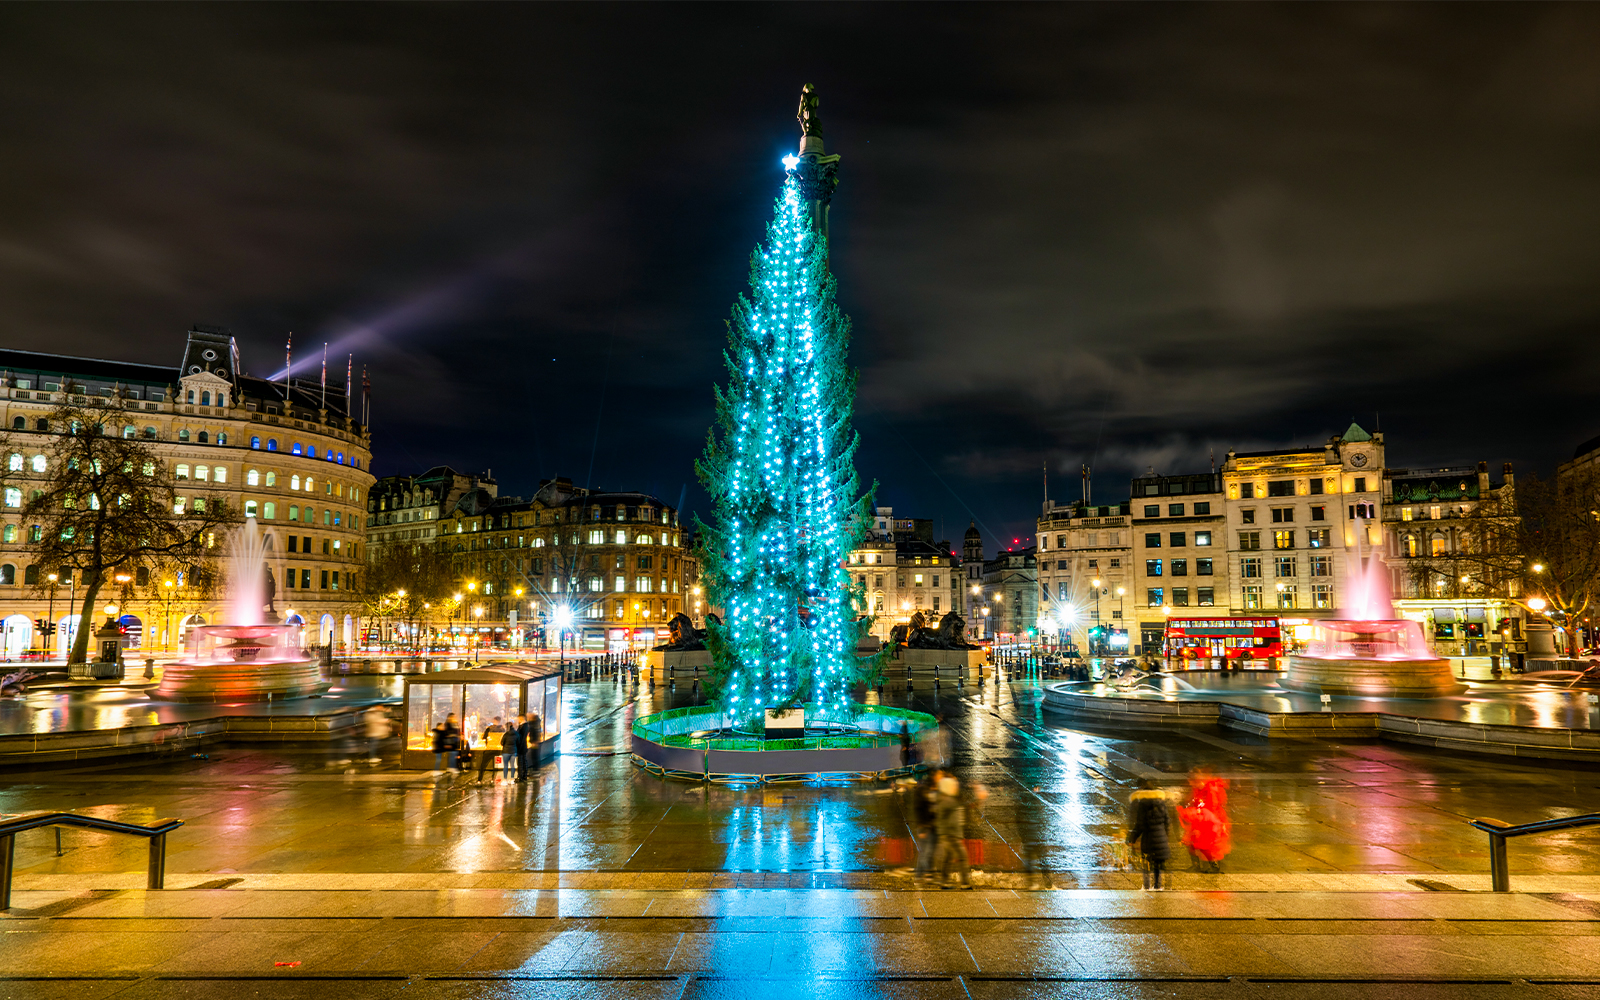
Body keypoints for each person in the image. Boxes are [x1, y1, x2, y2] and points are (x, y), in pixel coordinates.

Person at [1177, 770, 1231, 873]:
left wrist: (1197, 813)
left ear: (1198, 781)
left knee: (1206, 847)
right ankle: (1196, 866)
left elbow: (1212, 808)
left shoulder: (1210, 790)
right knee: (1192, 844)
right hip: (1199, 819)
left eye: (1192, 782)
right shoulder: (1198, 789)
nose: (1191, 785)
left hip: (1209, 822)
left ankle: (1214, 866)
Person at [1127, 778, 1173, 890]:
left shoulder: (1142, 805)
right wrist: (1165, 835)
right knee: (1158, 863)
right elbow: (1167, 821)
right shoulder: (1161, 804)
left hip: (1148, 839)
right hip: (1161, 837)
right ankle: (1158, 885)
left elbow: (1140, 825)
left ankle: (1147, 885)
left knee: (1147, 863)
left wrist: (1132, 838)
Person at [931, 774, 971, 889]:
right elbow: (962, 805)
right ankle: (965, 883)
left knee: (948, 858)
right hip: (951, 835)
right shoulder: (948, 801)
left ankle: (945, 882)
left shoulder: (944, 799)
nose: (956, 788)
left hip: (948, 834)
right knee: (962, 857)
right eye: (953, 786)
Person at [908, 772, 937, 885]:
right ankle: (923, 875)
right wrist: (921, 826)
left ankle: (923, 875)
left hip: (930, 826)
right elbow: (919, 810)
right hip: (925, 827)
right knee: (925, 852)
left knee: (928, 852)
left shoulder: (928, 791)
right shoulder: (923, 792)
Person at [476, 716, 507, 783]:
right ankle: (493, 779)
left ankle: (479, 779)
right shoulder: (502, 729)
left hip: (489, 749)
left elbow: (484, 737)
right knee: (495, 766)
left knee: (483, 765)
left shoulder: (489, 728)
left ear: (494, 720)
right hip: (497, 750)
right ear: (499, 721)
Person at [432, 713, 462, 777]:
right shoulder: (447, 725)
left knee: (451, 755)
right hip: (447, 745)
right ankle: (440, 770)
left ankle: (449, 768)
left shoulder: (454, 724)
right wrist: (447, 743)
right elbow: (443, 738)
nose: (454, 718)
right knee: (443, 758)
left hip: (451, 744)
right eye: (453, 717)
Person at [517, 712, 543, 782]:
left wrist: (534, 742)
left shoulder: (533, 724)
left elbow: (534, 733)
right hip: (534, 742)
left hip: (535, 743)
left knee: (535, 756)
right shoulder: (534, 723)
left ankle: (536, 771)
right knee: (534, 756)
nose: (528, 717)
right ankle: (534, 771)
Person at [503, 714, 526, 782]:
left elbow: (502, 742)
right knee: (513, 765)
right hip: (513, 751)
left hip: (506, 751)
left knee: (506, 765)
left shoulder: (506, 734)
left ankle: (505, 779)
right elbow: (518, 741)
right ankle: (512, 778)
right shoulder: (516, 734)